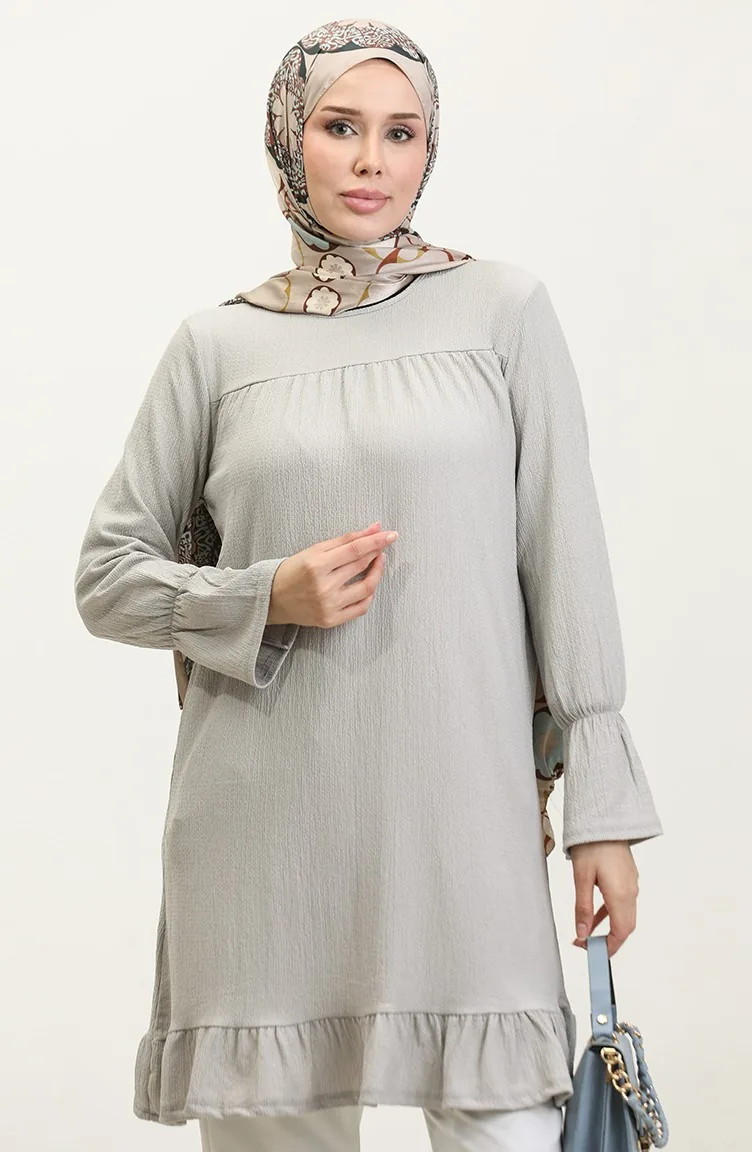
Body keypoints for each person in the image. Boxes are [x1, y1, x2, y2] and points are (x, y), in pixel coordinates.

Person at [73, 16, 663, 1152]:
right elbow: (107, 576)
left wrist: (604, 814)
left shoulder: (502, 312)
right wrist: (263, 596)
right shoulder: (217, 346)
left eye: (401, 133)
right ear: (287, 138)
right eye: (340, 126)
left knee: (505, 1121)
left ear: (430, 149)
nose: (370, 160)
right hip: (264, 839)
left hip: (463, 823)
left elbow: (567, 560)